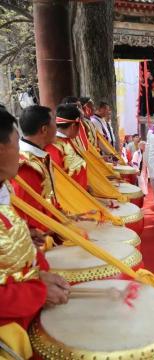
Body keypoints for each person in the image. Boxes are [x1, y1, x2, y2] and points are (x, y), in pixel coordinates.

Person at [0, 107, 69, 359]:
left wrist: (38, 273)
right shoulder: (25, 169)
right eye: (16, 143)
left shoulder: (3, 187)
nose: (19, 152)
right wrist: (37, 291)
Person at [11, 105, 58, 231]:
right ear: (44, 129)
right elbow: (30, 217)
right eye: (54, 121)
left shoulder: (39, 155)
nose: (57, 126)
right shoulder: (26, 165)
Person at [44, 103, 88, 189]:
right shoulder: (53, 147)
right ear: (73, 126)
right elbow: (58, 183)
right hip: (70, 198)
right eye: (80, 125)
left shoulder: (69, 140)